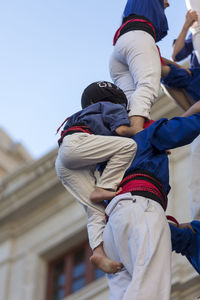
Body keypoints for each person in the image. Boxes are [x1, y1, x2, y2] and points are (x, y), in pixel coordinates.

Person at [91, 101, 200, 300]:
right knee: (150, 288)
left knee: (125, 292)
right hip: (141, 205)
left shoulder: (103, 155)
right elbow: (187, 127)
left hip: (113, 227)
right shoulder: (147, 134)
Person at [55, 81, 137, 274]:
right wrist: (144, 130)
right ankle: (104, 187)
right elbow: (122, 132)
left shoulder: (81, 114)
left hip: (64, 161)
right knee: (128, 146)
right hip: (77, 146)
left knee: (96, 210)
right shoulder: (112, 107)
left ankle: (98, 253)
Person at [109, 0, 170, 134]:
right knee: (147, 85)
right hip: (138, 37)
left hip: (119, 49)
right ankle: (137, 129)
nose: (168, 3)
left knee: (129, 98)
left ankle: (130, 135)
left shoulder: (153, 15)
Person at [162, 9, 200, 219]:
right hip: (195, 79)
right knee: (166, 69)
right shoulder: (194, 37)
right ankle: (190, 113)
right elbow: (175, 54)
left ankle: (188, 115)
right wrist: (187, 24)